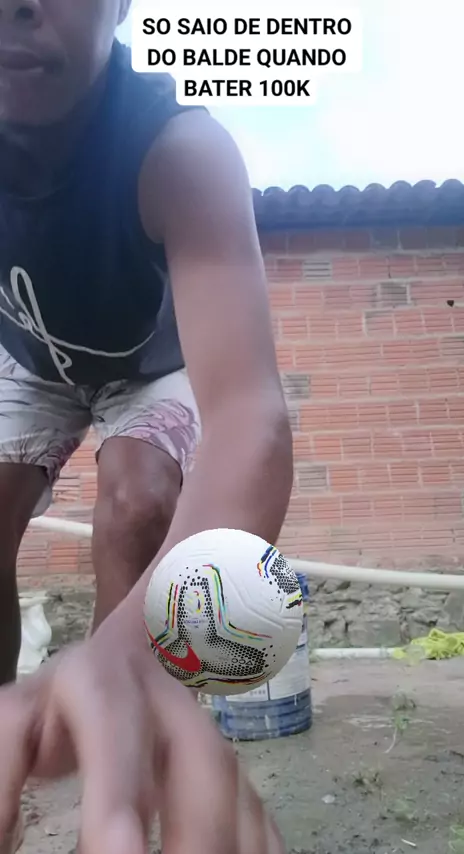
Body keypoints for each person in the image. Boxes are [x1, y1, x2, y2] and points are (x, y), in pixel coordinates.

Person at [0, 0, 293, 852]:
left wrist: (140, 651)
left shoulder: (177, 150)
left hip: (149, 359)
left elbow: (248, 419)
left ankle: (121, 747)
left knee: (136, 501)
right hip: (32, 360)